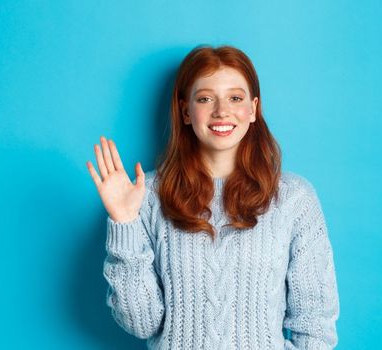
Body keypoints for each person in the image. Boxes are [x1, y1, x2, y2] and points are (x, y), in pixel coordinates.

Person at [86, 45, 339, 349]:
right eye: (205, 98)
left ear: (253, 109)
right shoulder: (148, 195)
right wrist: (124, 221)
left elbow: (314, 323)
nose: (222, 111)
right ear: (185, 112)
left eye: (235, 98)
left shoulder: (294, 199)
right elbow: (141, 323)